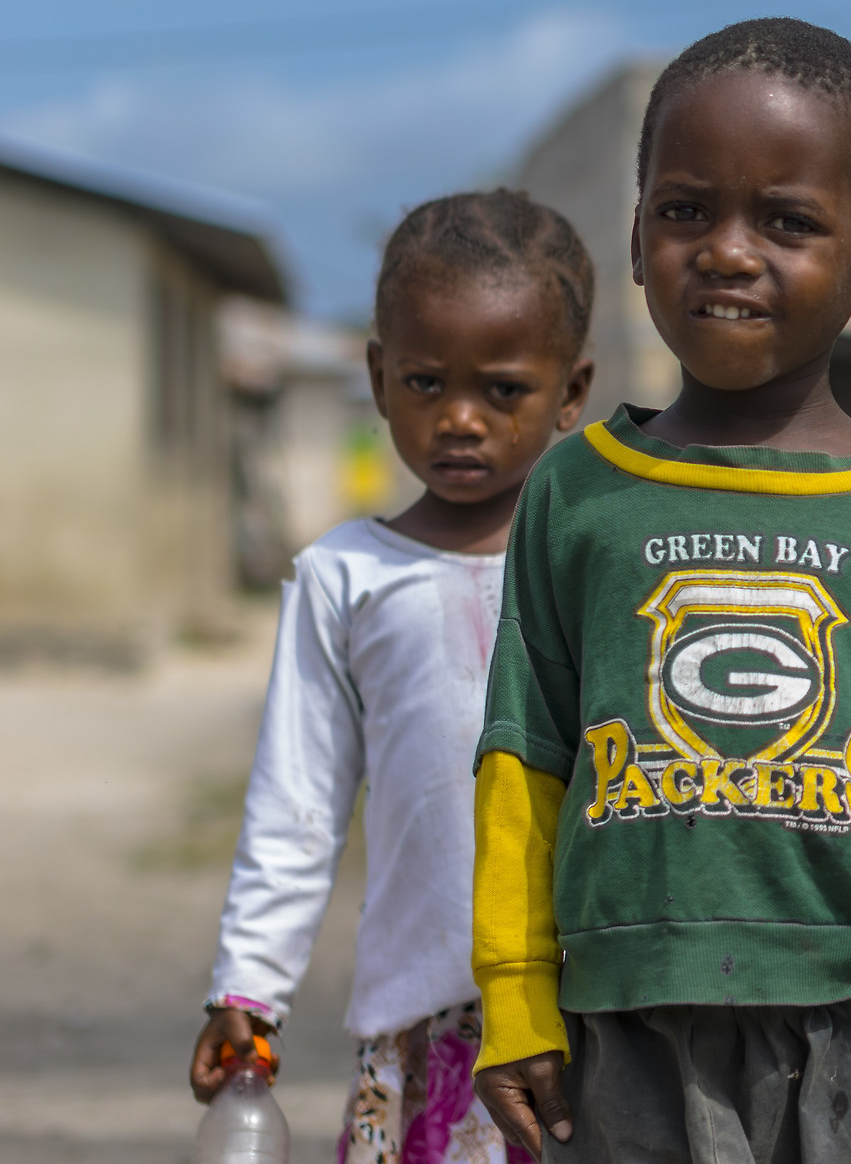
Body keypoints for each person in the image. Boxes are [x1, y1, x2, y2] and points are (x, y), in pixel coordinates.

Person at [468, 18, 851, 1164]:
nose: (729, 252)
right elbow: (523, 761)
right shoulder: (578, 491)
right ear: (636, 239)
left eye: (787, 221)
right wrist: (518, 1000)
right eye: (686, 210)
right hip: (622, 1022)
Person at [194, 189, 598, 1164]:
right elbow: (297, 801)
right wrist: (249, 986)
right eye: (425, 382)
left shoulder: (599, 564)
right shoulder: (345, 577)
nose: (460, 418)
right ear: (377, 378)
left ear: (570, 391)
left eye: (503, 390)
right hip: (428, 1022)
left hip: (595, 1015)